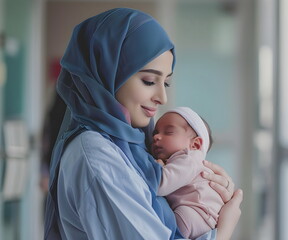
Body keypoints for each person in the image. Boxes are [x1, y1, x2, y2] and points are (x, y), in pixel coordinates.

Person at [44, 8, 243, 240]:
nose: (162, 98)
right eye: (149, 81)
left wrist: (209, 193)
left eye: (165, 83)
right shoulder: (96, 153)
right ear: (109, 73)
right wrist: (224, 230)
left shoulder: (132, 144)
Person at [153, 107, 224, 239]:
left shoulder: (188, 158)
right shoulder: (182, 161)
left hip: (198, 215)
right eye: (155, 133)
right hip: (203, 218)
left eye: (168, 132)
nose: (156, 137)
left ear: (195, 145)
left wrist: (158, 167)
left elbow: (160, 186)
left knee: (179, 218)